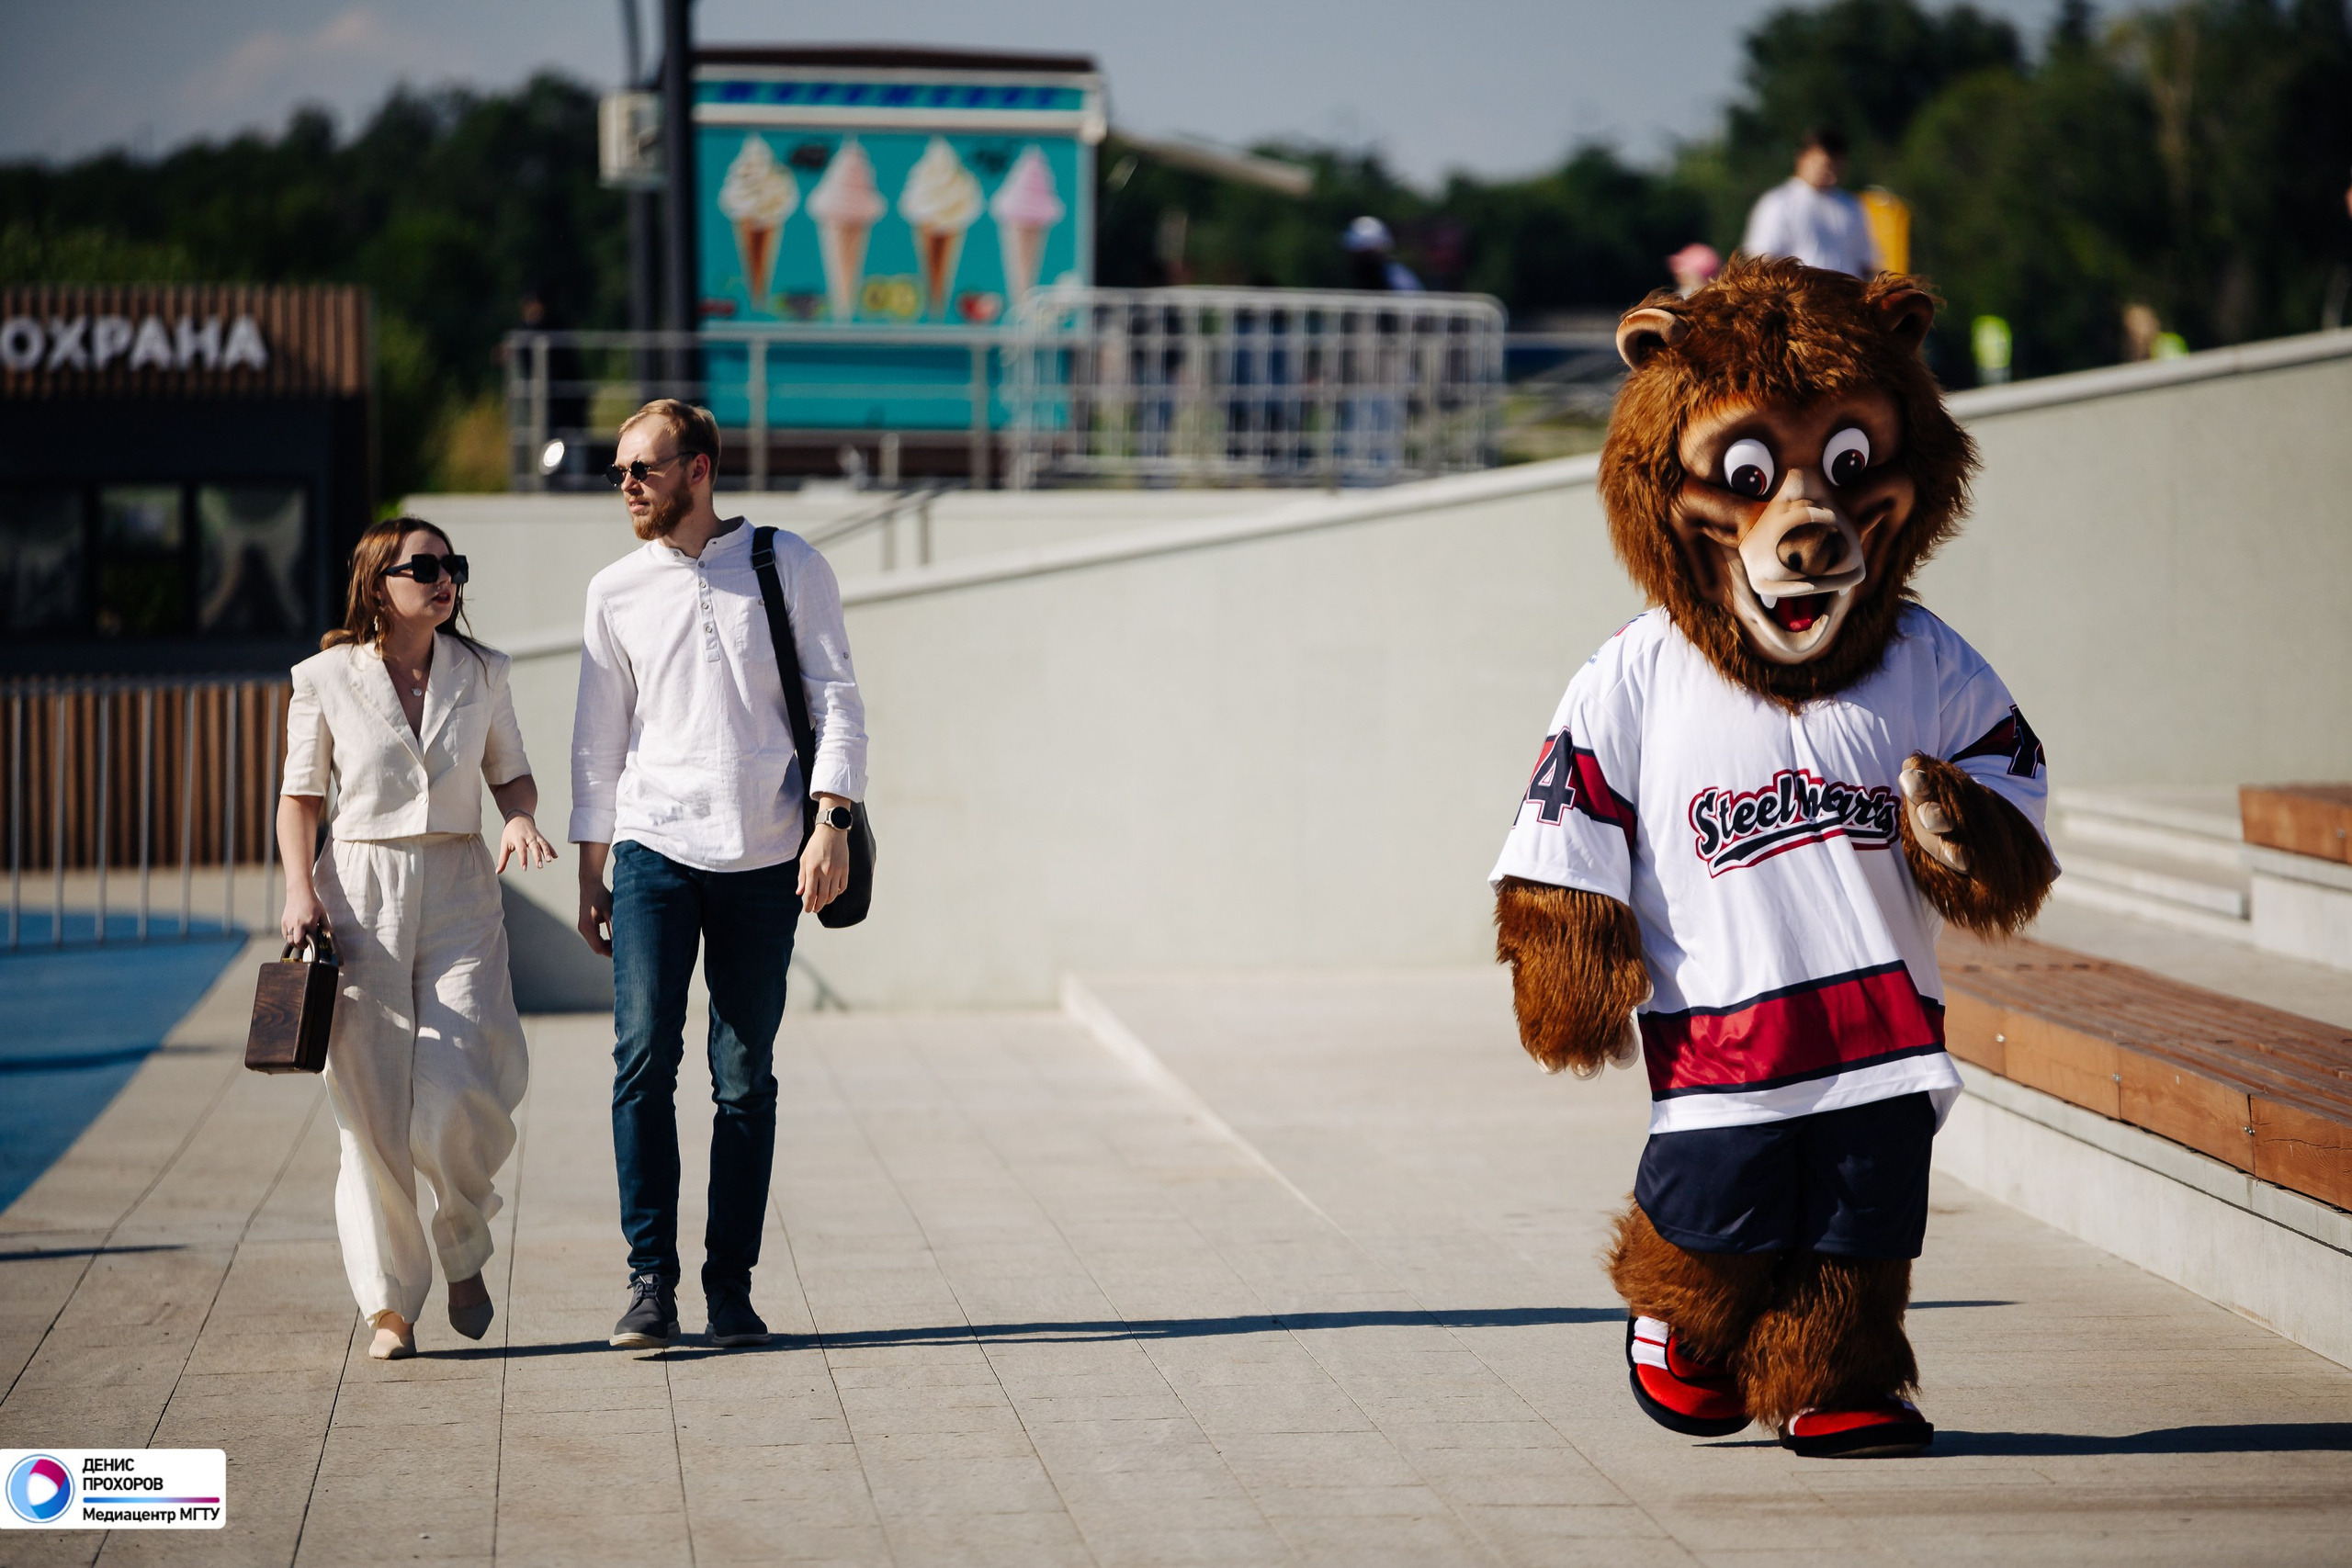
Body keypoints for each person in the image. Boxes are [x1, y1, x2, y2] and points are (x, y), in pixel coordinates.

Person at [570, 399, 867, 1351]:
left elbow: (838, 698)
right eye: (619, 469)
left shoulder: (788, 564)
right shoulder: (615, 589)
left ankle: (728, 1287)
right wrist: (592, 862)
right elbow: (597, 739)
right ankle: (648, 1283)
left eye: (643, 468)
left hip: (769, 853)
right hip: (654, 848)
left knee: (743, 1079)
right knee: (642, 1061)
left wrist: (831, 823)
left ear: (699, 470)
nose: (627, 484)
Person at [277, 517, 557, 1362]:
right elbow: (300, 797)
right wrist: (299, 891)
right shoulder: (324, 677)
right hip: (358, 892)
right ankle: (389, 1303)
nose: (444, 579)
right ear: (378, 581)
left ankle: (462, 1236)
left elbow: (510, 769)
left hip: (461, 886)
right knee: (367, 1108)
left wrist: (518, 818)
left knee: (462, 1081)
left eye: (452, 566)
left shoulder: (482, 670)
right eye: (424, 566)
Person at [1740, 128, 1880, 278]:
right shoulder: (1778, 203)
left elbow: (1865, 262)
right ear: (1802, 158)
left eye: (1836, 165)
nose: (1831, 171)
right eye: (1825, 164)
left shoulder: (1851, 205)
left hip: (1848, 298)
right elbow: (1761, 260)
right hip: (1799, 298)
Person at [1342, 216, 1424, 293]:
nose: (1365, 258)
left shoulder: (1398, 279)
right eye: (1359, 253)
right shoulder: (1354, 276)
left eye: (1369, 253)